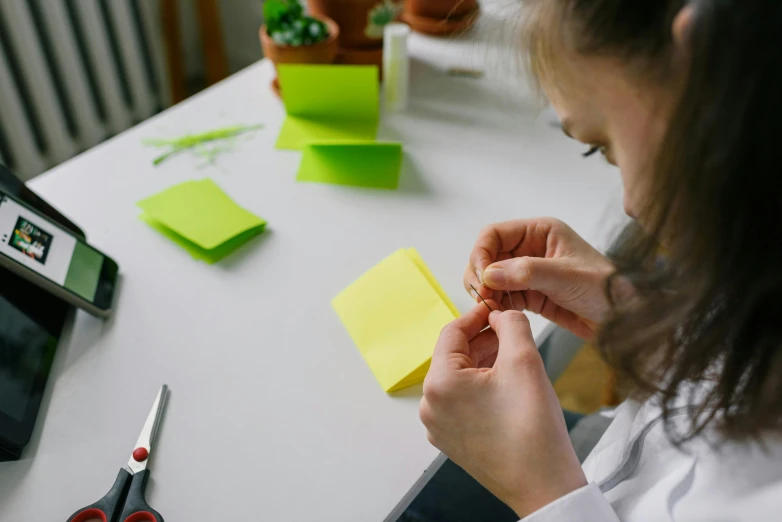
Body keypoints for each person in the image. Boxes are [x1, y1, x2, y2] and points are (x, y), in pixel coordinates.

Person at [418, 0, 782, 520]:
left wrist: (544, 496)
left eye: (603, 145)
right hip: (609, 457)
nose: (630, 205)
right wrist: (642, 321)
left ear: (705, 72)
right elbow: (741, 385)